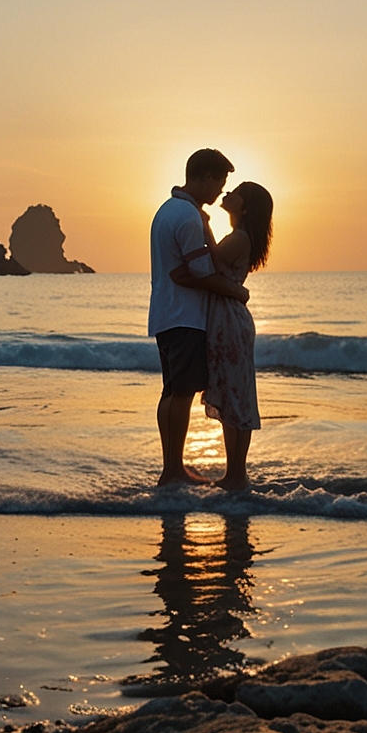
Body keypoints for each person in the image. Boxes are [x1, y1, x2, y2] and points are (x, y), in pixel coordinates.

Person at [148, 149, 249, 486]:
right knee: (181, 394)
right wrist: (237, 292)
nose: (220, 190)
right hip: (186, 316)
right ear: (205, 177)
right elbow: (202, 270)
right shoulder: (188, 216)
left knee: (171, 392)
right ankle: (173, 470)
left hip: (166, 313)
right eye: (219, 182)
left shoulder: (168, 210)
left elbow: (189, 270)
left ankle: (171, 468)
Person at [193, 182, 272, 490]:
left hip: (229, 319)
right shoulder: (241, 236)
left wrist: (203, 222)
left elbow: (210, 260)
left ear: (245, 207)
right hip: (229, 316)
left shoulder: (240, 237)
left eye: (235, 193)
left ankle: (237, 474)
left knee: (235, 395)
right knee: (234, 393)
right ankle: (235, 473)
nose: (227, 195)